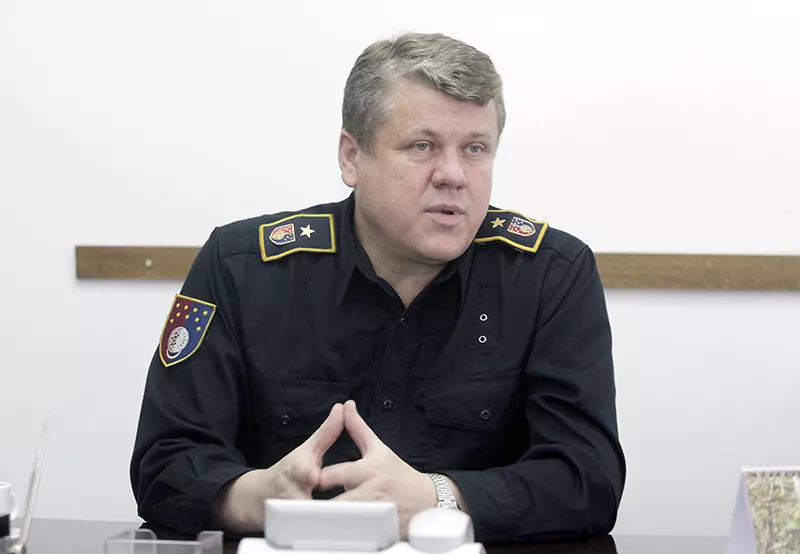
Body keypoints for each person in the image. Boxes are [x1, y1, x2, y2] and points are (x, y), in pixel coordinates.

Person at [130, 31, 626, 545]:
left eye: (475, 149)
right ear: (351, 157)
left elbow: (589, 479)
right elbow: (164, 463)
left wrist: (437, 498)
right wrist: (256, 496)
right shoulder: (242, 268)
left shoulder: (550, 274)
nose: (454, 175)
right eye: (422, 146)